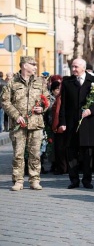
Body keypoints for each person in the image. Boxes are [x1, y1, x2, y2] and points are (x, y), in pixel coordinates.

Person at [0, 56, 50, 191]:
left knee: (35, 153)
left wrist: (43, 108)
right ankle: (18, 180)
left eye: (35, 64)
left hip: (36, 123)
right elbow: (4, 101)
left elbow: (48, 98)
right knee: (18, 154)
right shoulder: (12, 82)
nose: (35, 66)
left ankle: (34, 180)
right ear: (24, 65)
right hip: (18, 125)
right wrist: (16, 116)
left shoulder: (40, 82)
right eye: (32, 64)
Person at [58, 58, 94, 189]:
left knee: (87, 153)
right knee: (71, 152)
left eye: (76, 67)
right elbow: (63, 105)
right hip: (71, 123)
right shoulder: (67, 82)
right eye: (72, 67)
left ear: (83, 68)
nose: (73, 69)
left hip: (88, 123)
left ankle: (87, 180)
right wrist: (62, 122)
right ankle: (74, 180)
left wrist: (91, 110)